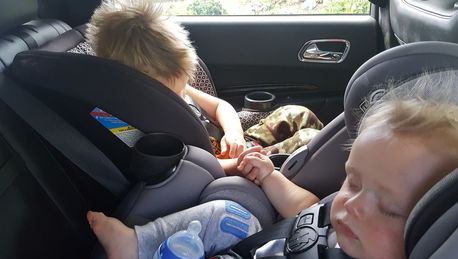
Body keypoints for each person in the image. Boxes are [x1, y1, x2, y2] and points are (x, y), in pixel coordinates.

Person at [87, 81, 458, 259]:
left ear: (440, 225)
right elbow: (306, 210)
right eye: (353, 182)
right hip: (260, 247)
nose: (349, 205)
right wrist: (268, 176)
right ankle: (138, 244)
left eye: (388, 208)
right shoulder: (351, 216)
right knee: (227, 211)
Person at [86, 0, 323, 174]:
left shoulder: (169, 84)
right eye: (173, 92)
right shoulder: (122, 124)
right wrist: (238, 164)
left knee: (298, 113)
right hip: (222, 168)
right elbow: (182, 168)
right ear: (134, 85)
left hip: (235, 146)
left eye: (182, 88)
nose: (180, 95)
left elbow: (221, 106)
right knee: (309, 141)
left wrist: (233, 133)